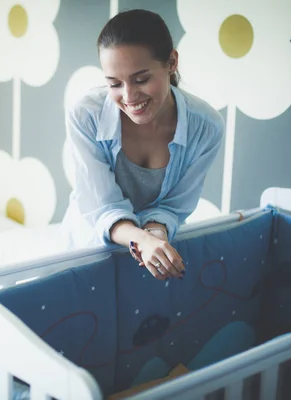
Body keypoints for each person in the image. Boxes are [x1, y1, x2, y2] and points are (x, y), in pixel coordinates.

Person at [61, 9, 224, 281]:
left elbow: (174, 206)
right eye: (114, 84)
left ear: (171, 62)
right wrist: (143, 241)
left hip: (151, 256)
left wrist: (155, 236)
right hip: (86, 251)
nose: (129, 97)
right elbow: (102, 207)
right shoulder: (85, 116)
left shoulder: (206, 128)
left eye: (141, 79)